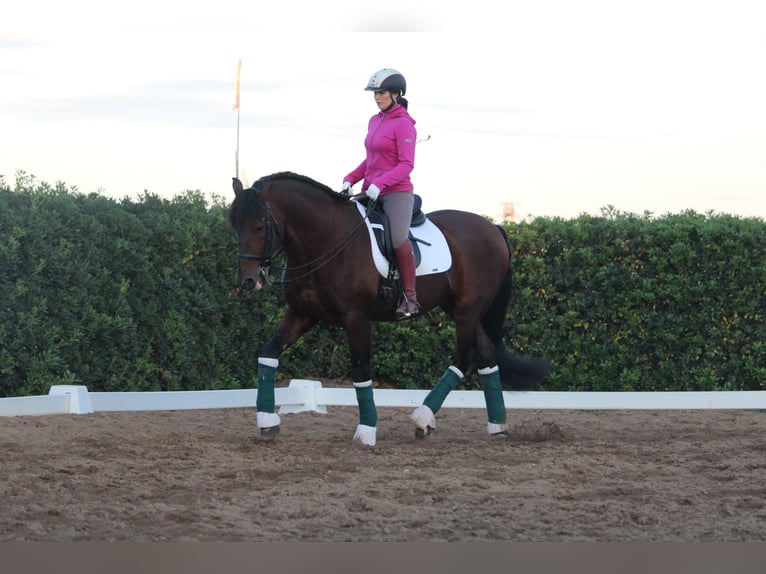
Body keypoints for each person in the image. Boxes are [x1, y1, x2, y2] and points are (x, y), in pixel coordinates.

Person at [342, 68, 419, 319]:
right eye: (375, 93)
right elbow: (370, 160)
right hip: (371, 191)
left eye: (381, 92)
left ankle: (410, 297)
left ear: (396, 94)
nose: (377, 97)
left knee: (397, 238)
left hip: (396, 192)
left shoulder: (404, 124)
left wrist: (382, 182)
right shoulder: (375, 120)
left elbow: (406, 164)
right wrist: (350, 178)